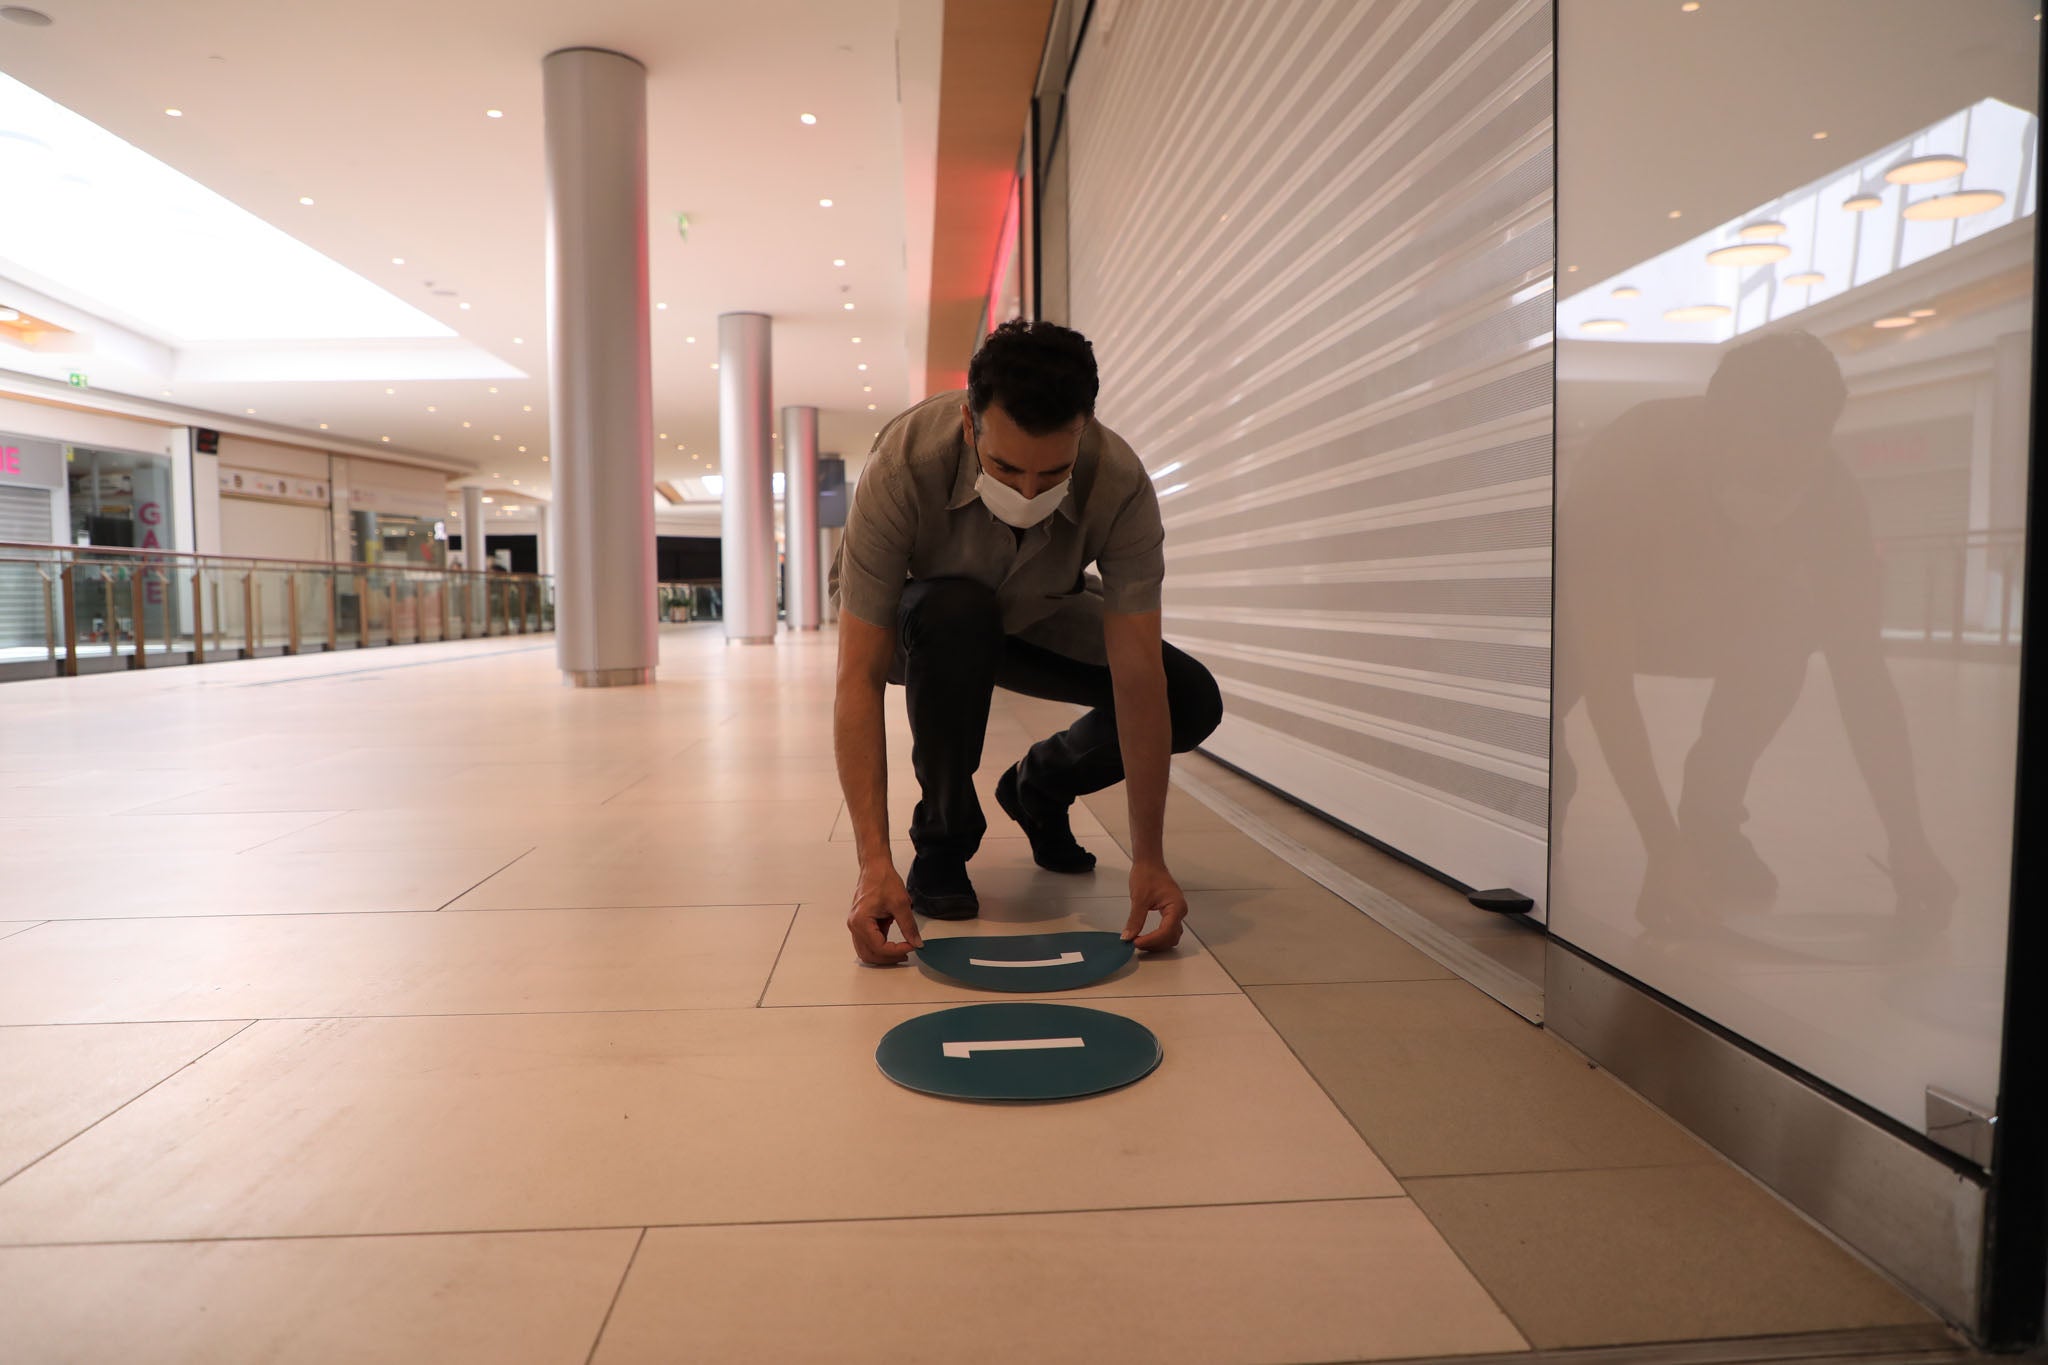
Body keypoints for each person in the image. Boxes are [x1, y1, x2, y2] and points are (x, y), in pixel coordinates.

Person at [830, 319, 1224, 965]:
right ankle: (943, 841)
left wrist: (1149, 859)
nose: (1028, 491)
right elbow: (859, 675)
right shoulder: (903, 463)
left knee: (1189, 696)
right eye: (1006, 467)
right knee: (959, 610)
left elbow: (1137, 673)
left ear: (1084, 429)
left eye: (1053, 473)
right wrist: (873, 862)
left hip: (1040, 610)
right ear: (969, 424)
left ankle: (1040, 784)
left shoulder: (1119, 481)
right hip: (924, 622)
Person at [1554, 329, 1955, 930]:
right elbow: (1606, 676)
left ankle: (1711, 813)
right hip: (1573, 615)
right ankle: (1545, 780)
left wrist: (1910, 840)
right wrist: (1661, 851)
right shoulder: (1629, 463)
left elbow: (1863, 678)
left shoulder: (1832, 495)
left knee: (1787, 627)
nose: (1775, 492)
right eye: (1759, 469)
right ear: (1714, 425)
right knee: (1547, 728)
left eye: (1791, 475)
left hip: (1693, 613)